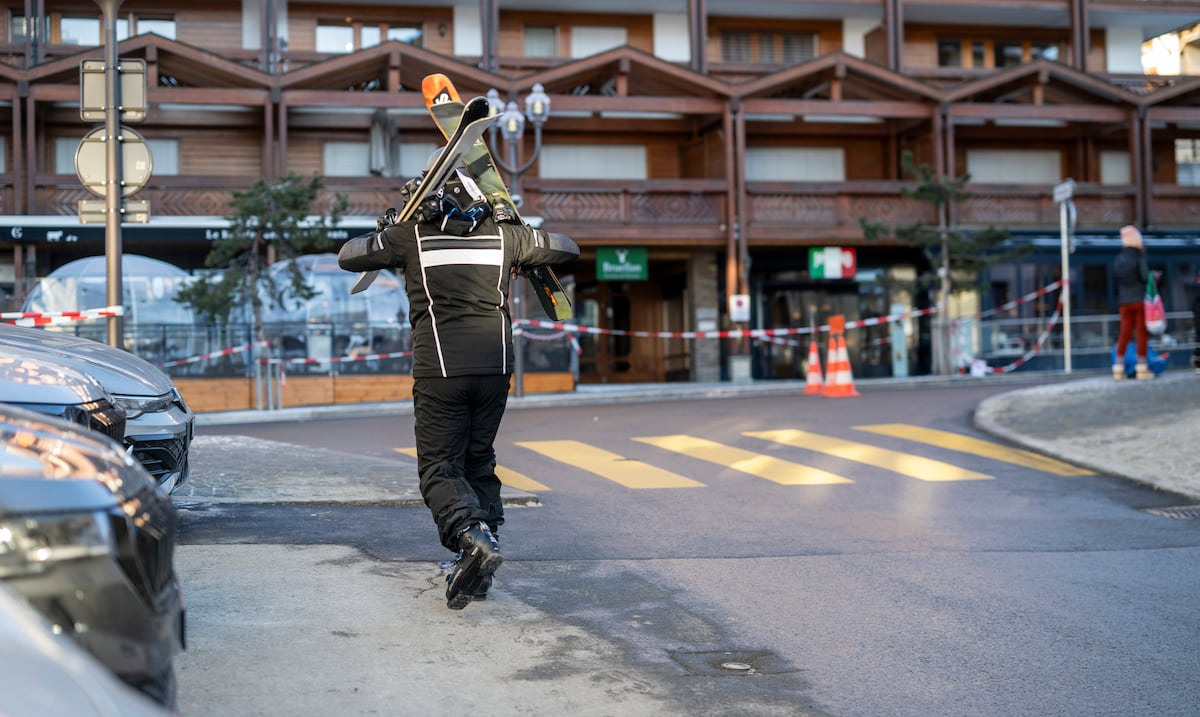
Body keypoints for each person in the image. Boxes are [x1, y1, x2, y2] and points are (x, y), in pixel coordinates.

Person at [338, 170, 579, 609]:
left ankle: (472, 541)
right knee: (477, 460)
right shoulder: (506, 238)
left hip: (441, 369)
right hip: (495, 370)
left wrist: (383, 231)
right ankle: (481, 560)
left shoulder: (409, 237)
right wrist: (519, 227)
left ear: (424, 203)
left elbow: (348, 257)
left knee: (439, 468)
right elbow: (568, 248)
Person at [1112, 225, 1152, 380]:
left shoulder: (1119, 259)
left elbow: (1116, 281)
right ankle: (1142, 367)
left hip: (1124, 301)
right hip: (1139, 299)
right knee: (1141, 332)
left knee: (1124, 333)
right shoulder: (1138, 256)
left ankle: (1118, 367)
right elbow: (1144, 277)